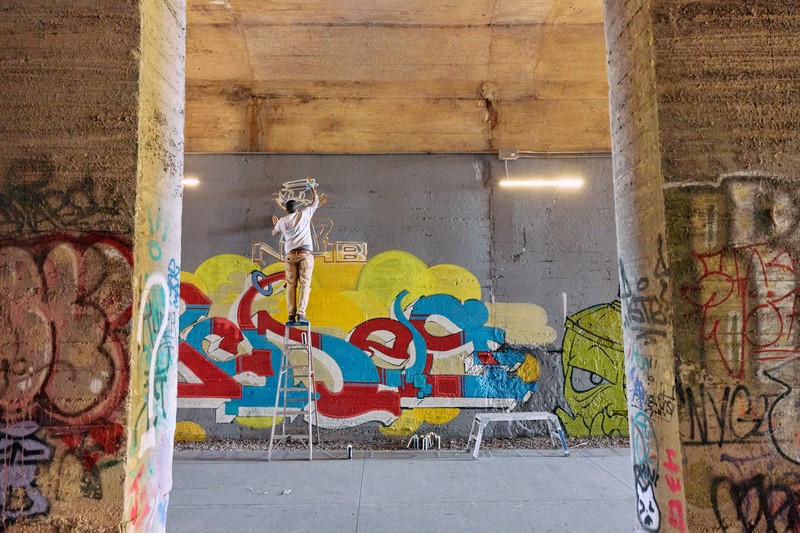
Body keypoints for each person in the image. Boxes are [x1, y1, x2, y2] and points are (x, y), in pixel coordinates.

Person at [272, 179, 320, 324]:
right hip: (305, 256)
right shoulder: (304, 214)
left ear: (286, 210)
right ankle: (301, 313)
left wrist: (276, 224)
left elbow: (274, 233)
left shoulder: (283, 221)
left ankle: (291, 315)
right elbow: (315, 202)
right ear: (297, 209)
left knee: (291, 285)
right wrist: (312, 189)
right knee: (305, 285)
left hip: (290, 256)